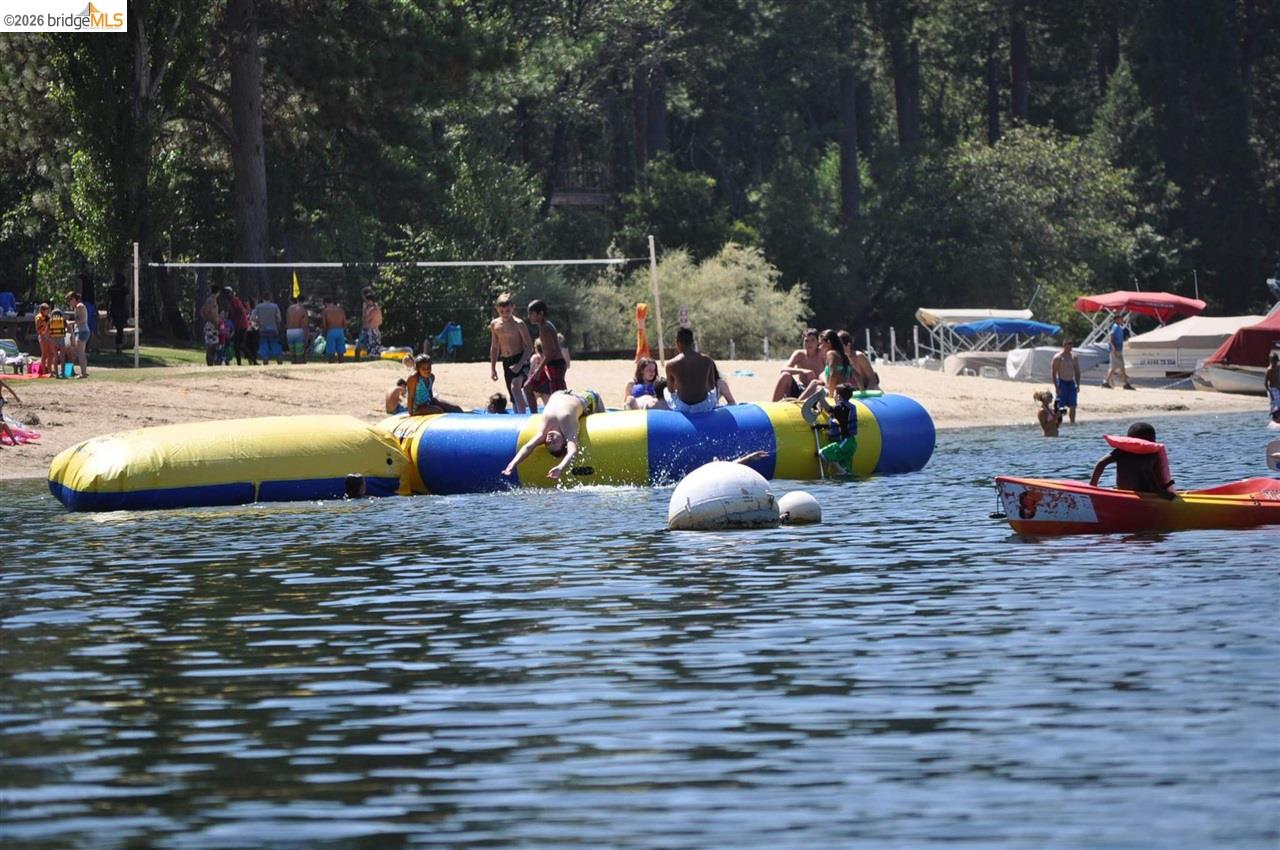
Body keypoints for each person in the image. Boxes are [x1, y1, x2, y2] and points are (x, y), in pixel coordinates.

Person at [502, 388, 605, 480]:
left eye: (547, 444)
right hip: (589, 399)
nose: (549, 441)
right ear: (564, 442)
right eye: (554, 443)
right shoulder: (568, 428)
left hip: (560, 392)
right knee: (597, 406)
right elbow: (572, 451)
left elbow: (528, 447)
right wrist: (561, 467)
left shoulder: (544, 431)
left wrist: (512, 464)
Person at [1088, 421, 1176, 499]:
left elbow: (1101, 463)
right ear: (1152, 440)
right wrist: (1161, 493)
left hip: (1122, 491)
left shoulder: (1121, 451)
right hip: (1145, 495)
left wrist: (1092, 487)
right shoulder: (1151, 454)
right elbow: (1145, 469)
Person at [489, 292, 534, 413]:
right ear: (497, 309)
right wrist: (493, 367)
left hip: (521, 359)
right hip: (506, 361)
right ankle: (517, 418)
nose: (505, 314)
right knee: (513, 395)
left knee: (515, 386)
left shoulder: (518, 324)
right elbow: (494, 347)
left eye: (507, 311)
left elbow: (530, 347)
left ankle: (523, 419)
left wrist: (520, 363)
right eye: (501, 311)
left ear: (513, 307)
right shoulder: (495, 324)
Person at [523, 300, 567, 413]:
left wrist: (538, 370)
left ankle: (565, 415)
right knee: (528, 387)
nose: (529, 317)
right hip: (550, 364)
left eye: (531, 313)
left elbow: (551, 353)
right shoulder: (544, 326)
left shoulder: (545, 328)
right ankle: (534, 417)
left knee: (559, 396)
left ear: (540, 313)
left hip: (555, 365)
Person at [665, 327, 720, 414]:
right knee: (713, 393)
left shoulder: (671, 364)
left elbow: (670, 390)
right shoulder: (707, 360)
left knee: (665, 391)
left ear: (677, 343)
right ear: (692, 343)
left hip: (683, 407)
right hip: (704, 407)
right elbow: (711, 386)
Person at [797, 329, 852, 403]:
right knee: (817, 380)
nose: (819, 347)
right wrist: (862, 392)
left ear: (828, 343)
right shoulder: (843, 356)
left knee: (815, 383)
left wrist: (831, 396)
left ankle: (798, 403)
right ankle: (799, 401)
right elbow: (856, 375)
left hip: (835, 392)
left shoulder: (831, 354)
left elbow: (833, 375)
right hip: (844, 392)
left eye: (820, 344)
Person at [816, 383, 859, 474]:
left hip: (845, 442)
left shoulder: (841, 407)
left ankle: (834, 475)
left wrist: (820, 397)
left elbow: (829, 409)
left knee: (823, 453)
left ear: (838, 396)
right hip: (852, 442)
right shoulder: (850, 407)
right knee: (846, 469)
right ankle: (843, 474)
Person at [772, 329, 824, 401]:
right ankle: (774, 405)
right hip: (800, 389)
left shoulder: (822, 355)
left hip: (816, 391)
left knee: (817, 386)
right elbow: (783, 369)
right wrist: (803, 371)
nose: (809, 343)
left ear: (818, 342)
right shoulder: (799, 354)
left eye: (812, 340)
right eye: (806, 341)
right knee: (785, 375)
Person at [1050, 338, 1081, 423]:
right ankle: (1058, 422)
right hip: (1062, 381)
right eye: (1068, 344)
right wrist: (1056, 387)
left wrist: (1078, 384)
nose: (1070, 346)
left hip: (1071, 382)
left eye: (1071, 344)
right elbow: (1053, 373)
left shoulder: (1074, 357)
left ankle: (1072, 423)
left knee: (1073, 405)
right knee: (1060, 405)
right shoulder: (1058, 357)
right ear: (1064, 345)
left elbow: (1077, 371)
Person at [1103, 312, 1134, 390]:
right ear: (1116, 320)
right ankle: (1107, 382)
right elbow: (1110, 337)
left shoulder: (1119, 327)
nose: (1122, 320)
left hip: (1119, 350)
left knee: (1120, 367)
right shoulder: (1115, 327)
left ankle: (1125, 383)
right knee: (1115, 367)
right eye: (1121, 319)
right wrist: (1113, 348)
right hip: (1115, 351)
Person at [253, 293, 285, 364]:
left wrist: (258, 322)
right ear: (270, 298)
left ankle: (265, 361)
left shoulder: (258, 307)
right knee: (276, 345)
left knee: (264, 346)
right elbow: (279, 319)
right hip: (273, 329)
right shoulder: (275, 306)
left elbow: (253, 318)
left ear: (263, 298)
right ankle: (279, 360)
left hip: (263, 330)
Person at [66, 291, 89, 378]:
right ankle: (69, 372)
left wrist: (71, 323)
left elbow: (82, 320)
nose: (69, 303)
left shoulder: (80, 306)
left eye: (69, 300)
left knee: (80, 353)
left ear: (74, 299)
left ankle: (83, 373)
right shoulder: (76, 307)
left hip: (82, 331)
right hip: (78, 331)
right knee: (73, 352)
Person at [357, 289, 383, 360]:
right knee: (375, 347)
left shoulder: (372, 309)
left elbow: (366, 319)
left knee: (372, 347)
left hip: (371, 330)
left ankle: (372, 360)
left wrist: (365, 314)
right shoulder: (377, 308)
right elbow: (380, 322)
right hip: (375, 329)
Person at [107, 271, 129, 354]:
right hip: (120, 311)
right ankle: (118, 347)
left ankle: (118, 346)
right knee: (120, 330)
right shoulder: (123, 289)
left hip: (114, 310)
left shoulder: (112, 288)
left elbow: (108, 299)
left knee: (119, 330)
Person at [322, 297, 347, 363]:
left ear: (326, 303)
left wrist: (324, 333)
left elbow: (324, 324)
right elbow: (344, 322)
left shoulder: (326, 311)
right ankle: (341, 365)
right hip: (340, 330)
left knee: (331, 351)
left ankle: (331, 365)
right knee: (341, 351)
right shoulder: (340, 310)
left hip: (331, 330)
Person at [284, 295, 309, 363]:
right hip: (299, 331)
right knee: (299, 354)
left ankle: (293, 368)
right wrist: (306, 338)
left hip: (289, 331)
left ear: (297, 300)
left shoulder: (289, 308)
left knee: (293, 354)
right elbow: (305, 325)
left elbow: (287, 321)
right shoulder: (303, 310)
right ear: (304, 301)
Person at [34, 303, 54, 378]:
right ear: (42, 310)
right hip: (43, 337)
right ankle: (44, 371)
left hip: (49, 337)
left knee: (51, 354)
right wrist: (46, 325)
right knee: (44, 354)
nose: (48, 312)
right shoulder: (38, 318)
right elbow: (38, 330)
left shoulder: (48, 317)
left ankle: (49, 370)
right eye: (47, 310)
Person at [48, 308, 68, 378]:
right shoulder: (63, 320)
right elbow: (67, 328)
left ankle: (56, 374)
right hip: (61, 339)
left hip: (53, 340)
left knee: (55, 357)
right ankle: (63, 373)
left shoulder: (50, 321)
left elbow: (47, 331)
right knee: (62, 357)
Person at [243, 298, 260, 365]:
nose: (246, 303)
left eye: (247, 301)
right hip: (247, 330)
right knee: (248, 346)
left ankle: (254, 360)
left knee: (254, 346)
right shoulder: (243, 311)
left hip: (254, 330)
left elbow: (257, 319)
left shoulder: (254, 311)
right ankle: (250, 361)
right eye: (245, 301)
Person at [1265, 352, 1280, 421]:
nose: (1275, 364)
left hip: (1278, 388)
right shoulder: (1269, 370)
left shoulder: (1278, 367)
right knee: (1274, 403)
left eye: (1276, 362)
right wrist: (1270, 392)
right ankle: (1274, 417)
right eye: (1274, 362)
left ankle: (1277, 415)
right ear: (1270, 361)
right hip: (1272, 389)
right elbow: (1265, 383)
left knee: (1278, 403)